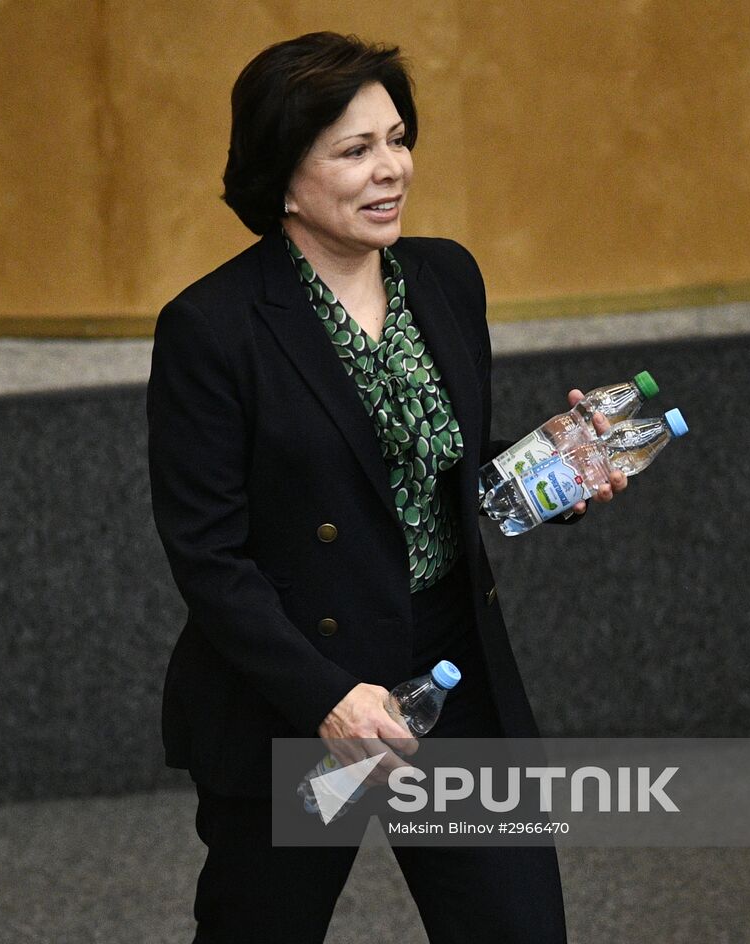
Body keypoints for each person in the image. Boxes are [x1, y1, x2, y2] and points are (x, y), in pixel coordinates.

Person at [146, 32, 627, 943]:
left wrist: (551, 473)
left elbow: (445, 472)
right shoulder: (212, 328)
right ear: (284, 178)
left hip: (450, 666)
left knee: (516, 926)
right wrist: (327, 695)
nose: (392, 170)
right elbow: (208, 555)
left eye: (398, 140)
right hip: (302, 691)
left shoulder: (446, 276)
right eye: (356, 150)